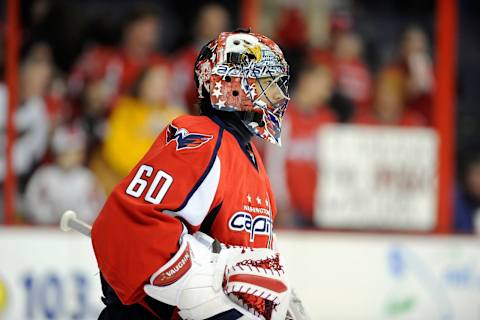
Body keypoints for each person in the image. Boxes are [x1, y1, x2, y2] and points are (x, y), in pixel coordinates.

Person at [91, 30, 295, 319]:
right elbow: (124, 227)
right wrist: (196, 279)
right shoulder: (200, 138)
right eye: (265, 82)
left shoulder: (254, 160)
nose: (277, 94)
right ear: (230, 84)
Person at [265, 63, 337, 227]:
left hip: (320, 208)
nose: (326, 91)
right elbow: (274, 164)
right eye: (323, 84)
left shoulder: (328, 118)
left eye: (329, 86)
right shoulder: (282, 116)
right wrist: (281, 203)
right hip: (290, 210)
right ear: (306, 80)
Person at [24, 123, 104, 225]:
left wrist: (77, 221)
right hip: (47, 232)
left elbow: (98, 207)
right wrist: (51, 218)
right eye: (64, 151)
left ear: (81, 154)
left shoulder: (88, 179)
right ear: (56, 153)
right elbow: (32, 203)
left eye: (73, 152)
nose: (68, 157)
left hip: (79, 234)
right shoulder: (44, 176)